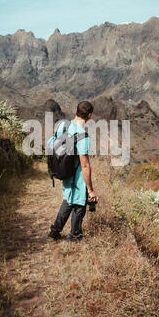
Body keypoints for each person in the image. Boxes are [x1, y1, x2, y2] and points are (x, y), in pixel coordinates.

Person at [48, 101, 98, 242]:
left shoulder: (62, 125)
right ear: (89, 115)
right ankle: (75, 236)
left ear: (76, 111)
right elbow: (85, 165)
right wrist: (90, 189)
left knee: (68, 201)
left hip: (64, 171)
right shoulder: (82, 136)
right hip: (77, 176)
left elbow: (51, 143)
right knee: (79, 204)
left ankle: (55, 231)